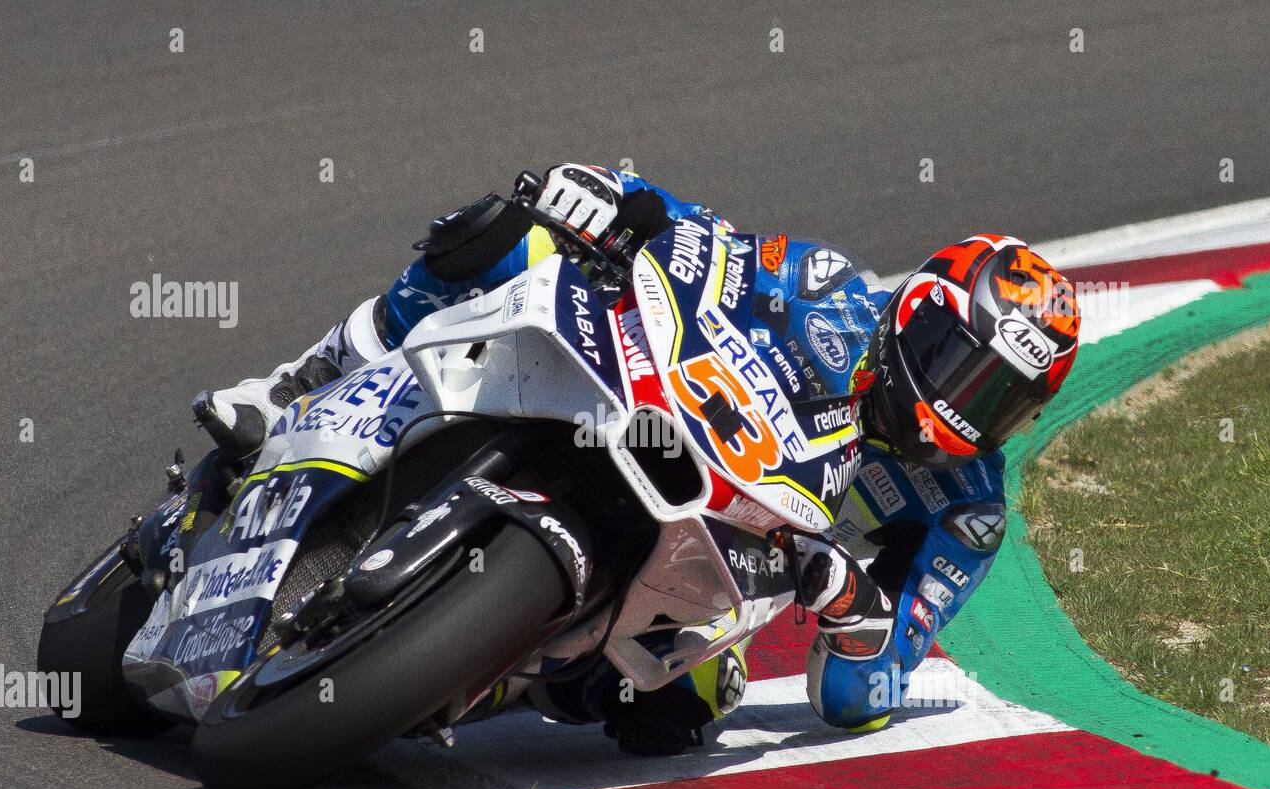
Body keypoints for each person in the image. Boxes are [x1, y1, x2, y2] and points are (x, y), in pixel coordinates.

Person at [193, 164, 1081, 754]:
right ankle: (304, 378)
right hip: (661, 423)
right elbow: (706, 242)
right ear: (919, 316)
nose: (966, 408)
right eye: (965, 371)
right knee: (504, 235)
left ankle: (474, 669)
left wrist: (851, 603)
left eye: (999, 399)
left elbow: (863, 692)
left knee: (675, 713)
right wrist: (617, 201)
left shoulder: (966, 509)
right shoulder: (830, 289)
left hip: (733, 578)